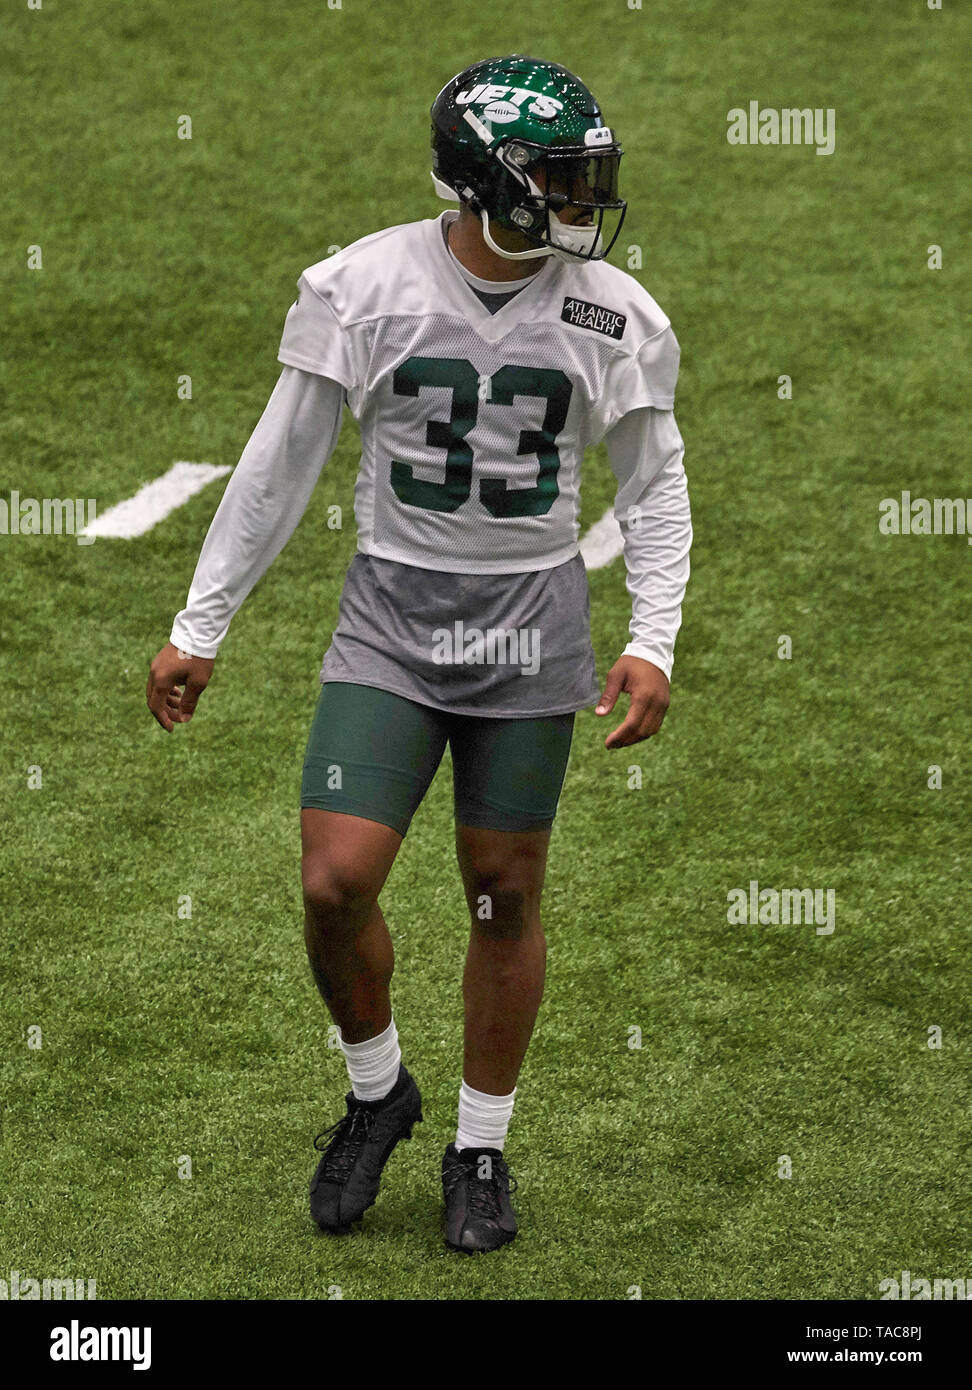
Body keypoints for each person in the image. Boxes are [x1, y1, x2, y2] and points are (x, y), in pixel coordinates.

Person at [146, 54, 692, 1255]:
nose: (576, 197)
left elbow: (653, 488)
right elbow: (278, 464)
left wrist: (654, 637)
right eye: (553, 174)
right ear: (482, 175)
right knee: (334, 881)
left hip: (530, 628)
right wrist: (202, 622)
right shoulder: (364, 286)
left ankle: (481, 1144)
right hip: (394, 617)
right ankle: (376, 1085)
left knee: (504, 893)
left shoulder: (615, 313)